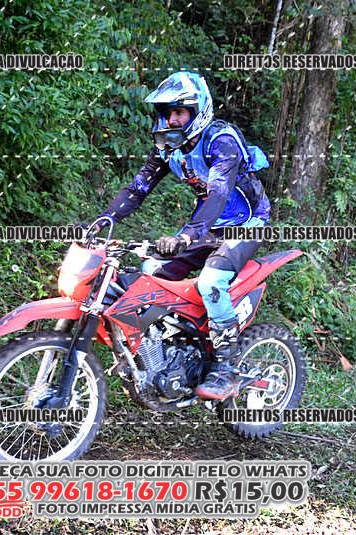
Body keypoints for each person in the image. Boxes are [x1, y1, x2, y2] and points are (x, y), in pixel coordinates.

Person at [96, 71, 271, 400]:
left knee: (211, 282)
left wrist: (187, 236)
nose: (172, 120)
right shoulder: (168, 147)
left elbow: (218, 193)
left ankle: (227, 367)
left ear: (197, 111)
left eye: (179, 112)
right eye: (167, 113)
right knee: (151, 273)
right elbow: (137, 189)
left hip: (245, 223)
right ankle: (169, 352)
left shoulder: (221, 141)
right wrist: (105, 219)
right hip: (206, 225)